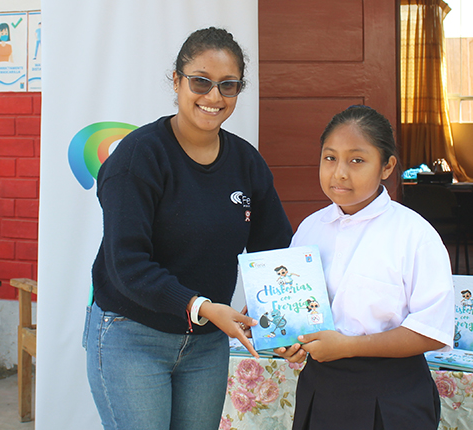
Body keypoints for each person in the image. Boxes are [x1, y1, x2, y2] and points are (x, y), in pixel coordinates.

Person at [84, 27, 293, 430]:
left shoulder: (246, 163)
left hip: (206, 345)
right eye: (201, 82)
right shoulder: (139, 156)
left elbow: (276, 251)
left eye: (228, 86)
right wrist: (202, 307)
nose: (214, 97)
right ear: (177, 81)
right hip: (132, 337)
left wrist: (286, 319)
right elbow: (127, 264)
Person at [276, 105, 454, 429]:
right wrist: (286, 336)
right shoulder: (309, 229)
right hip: (322, 388)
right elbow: (297, 308)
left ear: (386, 167)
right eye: (330, 158)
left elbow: (432, 331)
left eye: (357, 160)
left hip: (392, 395)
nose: (340, 173)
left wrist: (349, 346)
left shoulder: (414, 235)